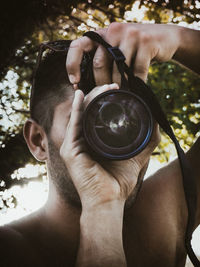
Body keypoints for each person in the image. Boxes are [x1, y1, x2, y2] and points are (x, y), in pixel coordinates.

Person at [0, 22, 200, 267]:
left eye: (125, 114)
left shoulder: (163, 211)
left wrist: (178, 38)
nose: (113, 130)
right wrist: (102, 206)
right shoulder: (9, 251)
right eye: (86, 116)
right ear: (38, 141)